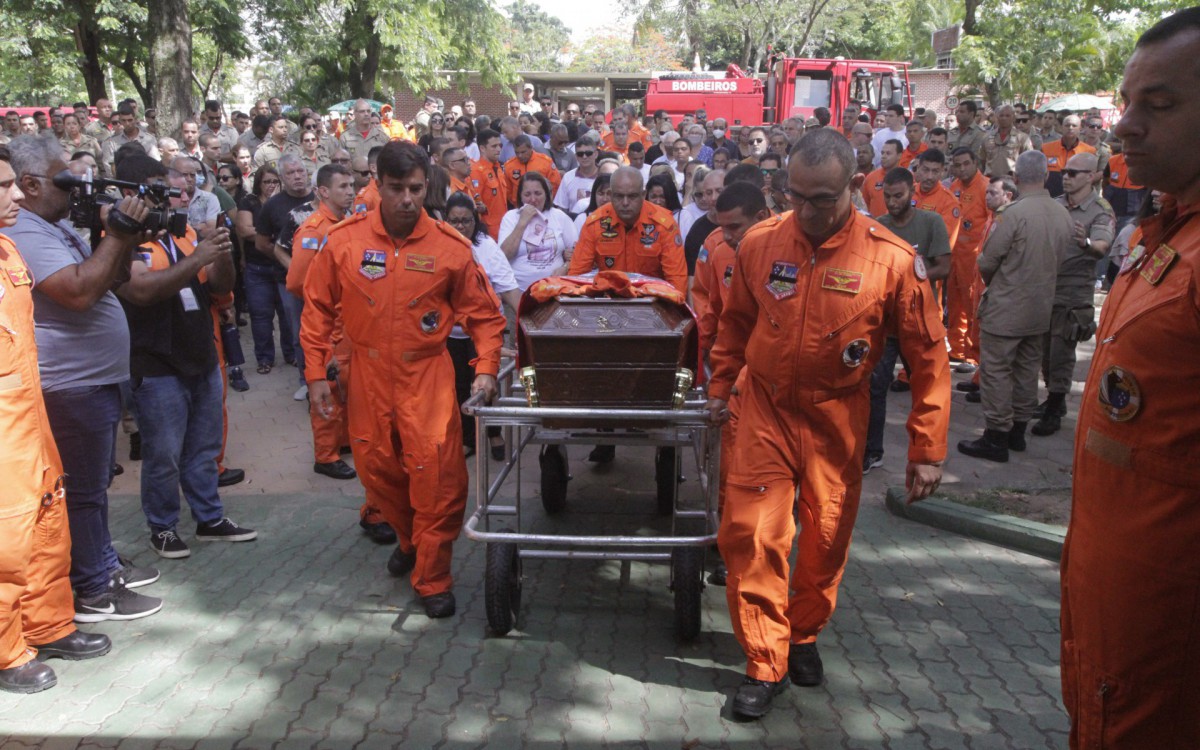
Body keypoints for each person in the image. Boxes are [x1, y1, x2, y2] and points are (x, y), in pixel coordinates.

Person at [705, 129, 949, 719]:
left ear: (853, 187)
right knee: (754, 536)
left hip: (837, 417)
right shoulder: (761, 243)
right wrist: (720, 386)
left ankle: (804, 633)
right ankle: (766, 660)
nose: (808, 212)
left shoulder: (889, 259)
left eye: (823, 199)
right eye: (796, 197)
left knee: (825, 538)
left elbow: (929, 355)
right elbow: (735, 323)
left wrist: (927, 447)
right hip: (762, 410)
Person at [1059, 11, 1200, 747]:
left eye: (1161, 105)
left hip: (1169, 635)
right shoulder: (1160, 234)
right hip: (1117, 608)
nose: (1126, 127)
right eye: (1128, 102)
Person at [301, 141, 506, 618]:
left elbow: (485, 317)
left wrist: (486, 369)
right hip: (367, 373)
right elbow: (316, 310)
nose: (407, 199)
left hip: (427, 375)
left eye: (416, 189)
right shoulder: (345, 242)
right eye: (396, 189)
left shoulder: (450, 248)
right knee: (377, 471)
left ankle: (432, 577)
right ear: (378, 185)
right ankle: (411, 539)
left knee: (437, 479)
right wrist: (315, 374)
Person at [4, 135, 164, 621]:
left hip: (89, 380)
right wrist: (115, 235)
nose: (75, 189)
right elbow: (76, 292)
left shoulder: (48, 225)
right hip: (69, 385)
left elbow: (107, 280)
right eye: (64, 180)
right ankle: (94, 585)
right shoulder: (28, 232)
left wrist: (121, 237)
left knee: (93, 486)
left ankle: (101, 562)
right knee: (83, 490)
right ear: (30, 185)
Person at [0, 145, 115, 694]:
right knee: (7, 535)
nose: (17, 195)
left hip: (30, 410)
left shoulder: (8, 251)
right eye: (4, 187)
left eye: (15, 185)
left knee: (49, 515)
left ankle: (48, 623)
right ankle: (6, 650)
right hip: (3, 424)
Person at [114, 153, 257, 558]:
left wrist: (221, 253)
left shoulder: (185, 233)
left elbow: (218, 286)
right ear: (133, 193)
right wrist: (199, 256)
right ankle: (162, 526)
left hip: (201, 356)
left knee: (204, 448)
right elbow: (140, 290)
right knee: (163, 454)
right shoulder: (123, 241)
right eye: (160, 186)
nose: (172, 195)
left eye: (172, 187)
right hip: (156, 364)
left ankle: (209, 518)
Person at [958, 151, 1072, 462]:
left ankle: (996, 436)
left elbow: (988, 261)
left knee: (996, 371)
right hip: (1041, 307)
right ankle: (1018, 433)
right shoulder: (1062, 213)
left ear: (1017, 179)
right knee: (1026, 371)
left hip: (1007, 306)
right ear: (1046, 176)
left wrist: (1000, 283)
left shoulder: (1012, 214)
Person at [863, 167, 952, 473]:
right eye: (886, 196)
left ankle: (927, 453)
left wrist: (912, 279)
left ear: (912, 193)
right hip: (887, 326)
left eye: (898, 195)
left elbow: (944, 266)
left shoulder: (931, 222)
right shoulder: (879, 226)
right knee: (875, 388)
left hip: (921, 322)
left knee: (927, 389)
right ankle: (872, 451)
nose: (891, 202)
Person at [1032, 153, 1114, 437]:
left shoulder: (1099, 211)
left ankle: (1055, 407)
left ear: (1092, 176)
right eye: (1065, 172)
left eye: (1074, 173)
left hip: (1074, 290)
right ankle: (1052, 400)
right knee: (1044, 349)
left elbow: (1102, 246)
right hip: (1047, 285)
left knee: (1061, 352)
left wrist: (1086, 242)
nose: (1066, 177)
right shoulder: (1055, 205)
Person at [444, 192, 521, 459]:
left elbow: (509, 288)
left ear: (475, 221)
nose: (461, 226)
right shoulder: (438, 245)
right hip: (451, 333)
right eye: (454, 221)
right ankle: (468, 438)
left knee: (485, 384)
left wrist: (526, 322)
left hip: (483, 331)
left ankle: (493, 433)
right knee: (458, 386)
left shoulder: (487, 247)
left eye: (466, 221)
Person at [569, 166, 687, 292]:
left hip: (653, 302)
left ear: (643, 195)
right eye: (619, 196)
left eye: (632, 196)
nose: (625, 203)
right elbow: (576, 276)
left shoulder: (664, 225)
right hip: (609, 301)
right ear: (611, 195)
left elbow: (677, 281)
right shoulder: (595, 223)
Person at [259, 155, 316, 402]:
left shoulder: (319, 199)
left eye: (301, 171)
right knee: (299, 329)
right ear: (282, 178)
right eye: (291, 173)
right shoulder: (273, 206)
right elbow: (263, 243)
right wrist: (292, 267)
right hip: (289, 280)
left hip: (325, 279)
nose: (297, 176)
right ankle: (305, 380)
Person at [946, 147, 991, 368]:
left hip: (973, 259)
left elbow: (992, 224)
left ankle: (973, 355)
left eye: (966, 163)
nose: (962, 169)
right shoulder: (953, 187)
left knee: (973, 307)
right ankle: (957, 349)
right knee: (954, 305)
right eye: (958, 164)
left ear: (975, 163)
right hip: (954, 256)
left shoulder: (986, 188)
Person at [499, 171, 578, 291]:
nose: (533, 199)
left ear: (546, 194)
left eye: (538, 193)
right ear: (520, 196)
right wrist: (522, 223)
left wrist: (565, 267)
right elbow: (504, 255)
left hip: (554, 288)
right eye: (527, 194)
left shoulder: (559, 216)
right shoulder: (511, 217)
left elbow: (577, 253)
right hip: (520, 290)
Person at [470, 129, 508, 239]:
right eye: (494, 146)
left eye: (500, 145)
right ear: (482, 148)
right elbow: (477, 204)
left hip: (503, 227)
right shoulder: (476, 171)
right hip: (488, 231)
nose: (498, 149)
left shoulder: (498, 168)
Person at [503, 135, 561, 207]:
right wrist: (515, 201)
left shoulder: (545, 162)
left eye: (523, 152)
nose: (520, 155)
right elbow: (507, 189)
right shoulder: (509, 166)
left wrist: (546, 202)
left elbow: (555, 184)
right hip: (519, 207)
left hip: (542, 205)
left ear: (531, 148)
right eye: (517, 152)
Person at [554, 135, 599, 214]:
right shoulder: (568, 177)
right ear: (576, 157)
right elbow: (561, 208)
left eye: (588, 153)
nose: (584, 157)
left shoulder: (603, 176)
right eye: (580, 154)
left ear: (596, 154)